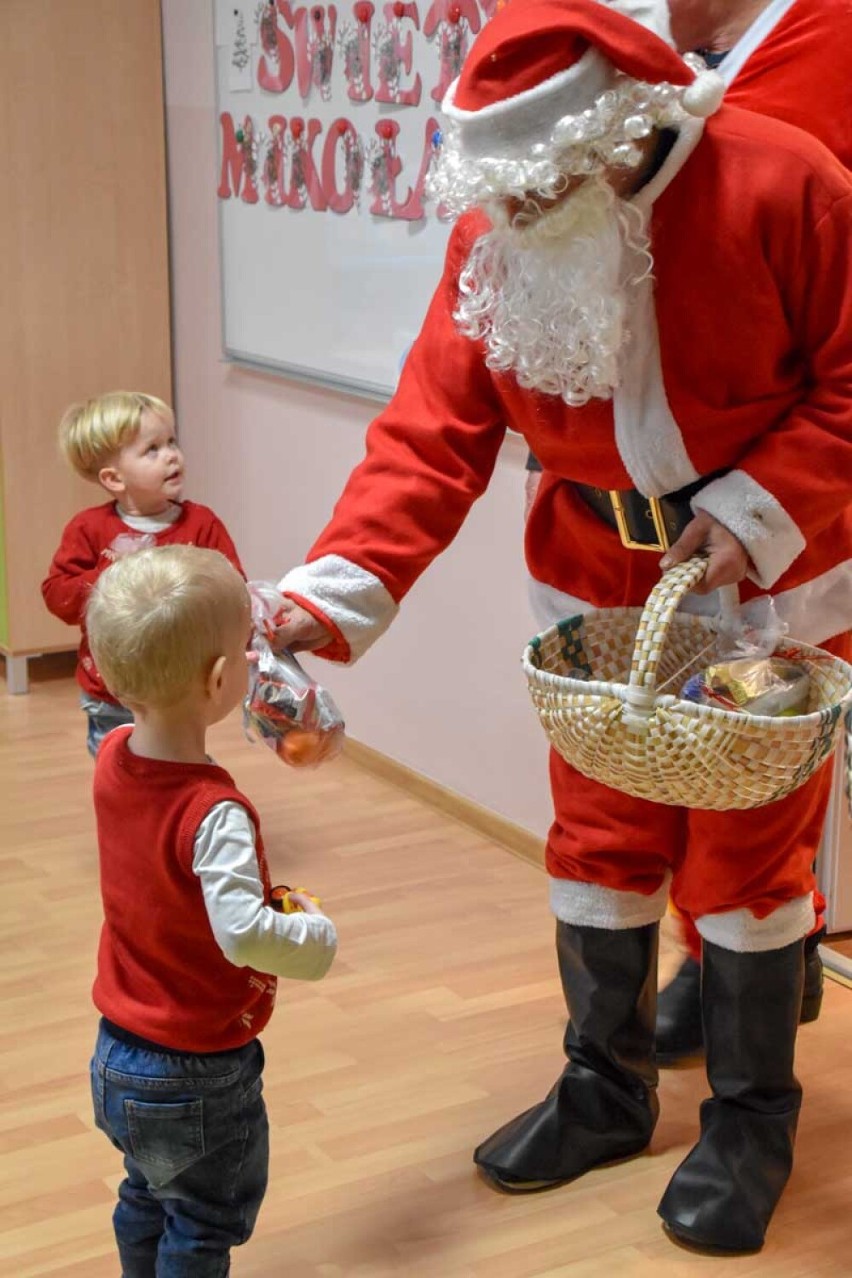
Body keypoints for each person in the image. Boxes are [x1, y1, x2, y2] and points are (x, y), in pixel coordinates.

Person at [265, 0, 852, 1251]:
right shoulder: (500, 231)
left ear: (616, 142)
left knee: (749, 855)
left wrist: (759, 511)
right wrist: (331, 591)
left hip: (762, 585)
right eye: (499, 200)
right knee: (598, 834)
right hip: (591, 572)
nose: (506, 227)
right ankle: (605, 1086)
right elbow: (432, 433)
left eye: (532, 196)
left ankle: (749, 1117)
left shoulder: (784, 184)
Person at [523, 0, 852, 1063]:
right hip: (610, 538)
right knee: (617, 800)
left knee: (758, 803)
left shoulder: (824, 56)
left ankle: (753, 998)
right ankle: (659, 1025)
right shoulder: (600, 53)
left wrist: (772, 498)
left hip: (787, 503)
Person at [85, 543, 338, 1276]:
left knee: (148, 1190)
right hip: (194, 1067)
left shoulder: (114, 757)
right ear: (224, 679)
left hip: (118, 1050)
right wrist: (312, 936)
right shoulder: (214, 811)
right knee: (203, 1218)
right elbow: (243, 934)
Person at [42, 391, 244, 757]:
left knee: (177, 770)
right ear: (114, 479)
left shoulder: (201, 525)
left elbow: (234, 593)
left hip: (183, 690)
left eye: (171, 441)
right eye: (152, 449)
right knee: (123, 782)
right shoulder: (89, 530)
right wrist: (107, 573)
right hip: (112, 691)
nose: (171, 455)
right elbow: (58, 597)